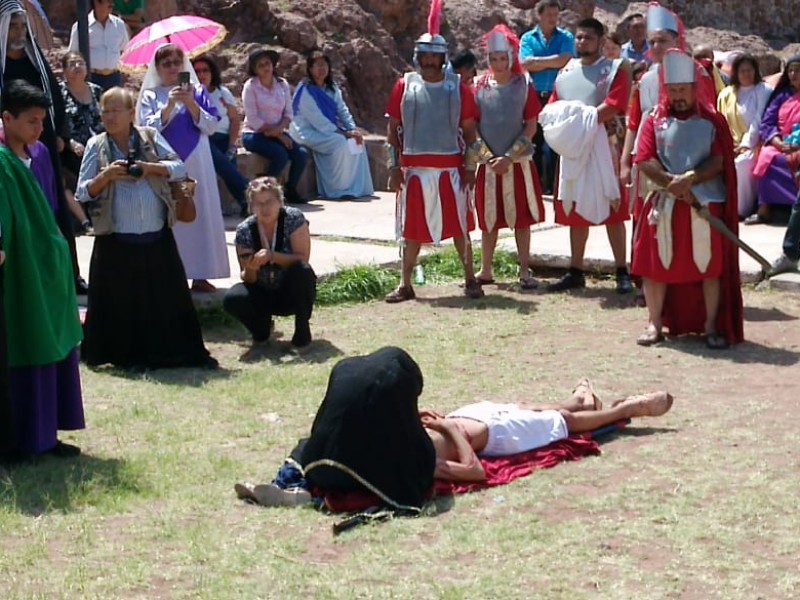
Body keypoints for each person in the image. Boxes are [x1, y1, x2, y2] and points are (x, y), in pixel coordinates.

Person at [76, 87, 217, 369]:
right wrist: (106, 176)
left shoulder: (150, 138)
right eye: (105, 110)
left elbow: (178, 167)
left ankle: (169, 355)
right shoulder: (96, 145)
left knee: (164, 301)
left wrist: (150, 168)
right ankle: (122, 357)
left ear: (131, 114)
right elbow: (82, 192)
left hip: (156, 237)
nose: (109, 116)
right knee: (120, 305)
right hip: (115, 238)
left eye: (116, 110)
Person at [630, 49, 743, 349]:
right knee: (655, 267)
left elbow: (720, 161)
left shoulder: (712, 121)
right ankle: (655, 324)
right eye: (673, 89)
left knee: (709, 267)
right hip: (664, 204)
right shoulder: (653, 119)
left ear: (695, 89)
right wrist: (671, 183)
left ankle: (711, 327)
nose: (678, 95)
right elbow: (644, 159)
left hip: (703, 203)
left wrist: (689, 179)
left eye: (683, 89)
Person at [0, 80, 84, 461]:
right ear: (7, 118)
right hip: (17, 270)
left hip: (47, 265)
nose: (37, 129)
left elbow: (51, 207)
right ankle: (21, 437)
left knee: (55, 343)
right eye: (31, 121)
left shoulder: (42, 155)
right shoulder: (2, 162)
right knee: (25, 342)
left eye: (41, 122)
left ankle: (47, 434)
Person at [383, 2, 483, 303]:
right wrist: (393, 166)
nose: (429, 60)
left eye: (434, 55)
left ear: (442, 57)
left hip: (450, 170)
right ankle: (405, 283)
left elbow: (470, 134)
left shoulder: (457, 88)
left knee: (460, 228)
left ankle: (470, 279)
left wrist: (470, 168)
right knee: (410, 229)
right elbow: (393, 130)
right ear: (418, 56)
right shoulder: (405, 85)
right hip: (414, 170)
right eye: (424, 54)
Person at [422, 379, 673, 482]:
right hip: (497, 435)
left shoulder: (389, 439)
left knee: (525, 408)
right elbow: (474, 471)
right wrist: (448, 427)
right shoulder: (418, 463)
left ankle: (580, 402)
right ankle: (627, 409)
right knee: (564, 422)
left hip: (468, 415)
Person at [539, 18, 632, 294]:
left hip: (605, 144)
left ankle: (621, 271)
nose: (582, 42)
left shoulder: (615, 70)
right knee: (575, 205)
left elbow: (614, 104)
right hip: (575, 147)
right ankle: (575, 270)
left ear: (601, 41)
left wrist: (583, 124)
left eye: (588, 38)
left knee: (612, 206)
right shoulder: (566, 71)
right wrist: (572, 131)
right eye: (578, 37)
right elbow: (554, 105)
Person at [1, 1, 86, 294]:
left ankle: (69, 275)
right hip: (7, 151)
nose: (19, 32)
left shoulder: (33, 59)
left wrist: (59, 133)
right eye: (13, 26)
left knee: (54, 208)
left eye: (23, 26)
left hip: (42, 146)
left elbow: (54, 101)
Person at [137, 43, 230, 293]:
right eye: (166, 63)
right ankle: (170, 274)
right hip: (166, 164)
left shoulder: (198, 92)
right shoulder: (150, 95)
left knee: (199, 215)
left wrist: (190, 103)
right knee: (171, 218)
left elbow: (211, 126)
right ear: (157, 67)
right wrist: (168, 106)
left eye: (176, 62)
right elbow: (145, 130)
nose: (172, 68)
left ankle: (201, 274)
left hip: (198, 162)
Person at [473, 25, 545, 289]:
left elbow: (531, 124)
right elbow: (472, 125)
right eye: (494, 58)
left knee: (521, 219)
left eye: (503, 58)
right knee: (488, 220)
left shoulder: (524, 85)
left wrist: (509, 157)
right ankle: (485, 269)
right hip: (489, 163)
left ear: (511, 57)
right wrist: (490, 157)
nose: (498, 63)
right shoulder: (478, 86)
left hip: (518, 164)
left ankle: (524, 270)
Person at [223, 177, 316, 348]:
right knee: (232, 298)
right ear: (251, 207)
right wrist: (251, 268)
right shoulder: (244, 230)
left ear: (280, 202)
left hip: (289, 290)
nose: (264, 208)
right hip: (262, 290)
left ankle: (302, 330)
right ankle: (261, 330)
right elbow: (247, 278)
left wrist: (272, 256)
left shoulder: (293, 218)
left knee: (303, 271)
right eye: (258, 203)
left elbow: (302, 258)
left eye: (269, 202)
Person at [289, 50, 374, 200]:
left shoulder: (332, 88)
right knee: (340, 142)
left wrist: (352, 129)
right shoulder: (305, 91)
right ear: (310, 69)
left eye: (325, 65)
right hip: (307, 131)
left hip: (330, 129)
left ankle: (357, 188)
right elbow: (318, 120)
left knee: (357, 142)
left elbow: (342, 110)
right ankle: (336, 190)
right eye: (318, 65)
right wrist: (344, 133)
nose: (322, 69)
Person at [519, 0, 575, 193]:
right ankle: (536, 185)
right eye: (549, 15)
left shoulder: (566, 37)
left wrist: (538, 62)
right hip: (534, 96)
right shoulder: (527, 38)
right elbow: (525, 63)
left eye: (555, 15)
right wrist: (554, 61)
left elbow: (566, 60)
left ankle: (554, 184)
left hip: (557, 95)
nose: (553, 19)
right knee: (535, 140)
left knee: (557, 141)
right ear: (539, 15)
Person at [241, 48, 309, 205]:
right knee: (280, 155)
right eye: (260, 65)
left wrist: (280, 130)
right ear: (255, 69)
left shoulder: (282, 84)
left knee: (301, 154)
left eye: (267, 63)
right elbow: (254, 119)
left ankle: (290, 190)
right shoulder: (250, 87)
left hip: (278, 132)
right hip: (254, 134)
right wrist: (279, 135)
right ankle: (264, 194)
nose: (265, 67)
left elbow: (289, 113)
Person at [192, 54, 250, 217]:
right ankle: (249, 195)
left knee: (227, 163)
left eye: (205, 70)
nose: (202, 75)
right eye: (197, 71)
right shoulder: (192, 94)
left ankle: (245, 201)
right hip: (203, 138)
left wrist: (232, 145)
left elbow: (235, 120)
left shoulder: (222, 93)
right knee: (224, 163)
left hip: (224, 138)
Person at [716, 54, 771, 218]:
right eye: (742, 71)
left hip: (756, 143)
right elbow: (721, 122)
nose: (746, 74)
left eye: (749, 70)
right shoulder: (727, 94)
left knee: (741, 163)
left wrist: (746, 144)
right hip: (730, 144)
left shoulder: (763, 90)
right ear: (736, 73)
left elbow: (758, 120)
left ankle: (741, 209)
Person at [750, 56, 800, 225]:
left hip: (798, 144)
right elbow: (767, 123)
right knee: (767, 156)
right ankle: (764, 210)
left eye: (798, 70)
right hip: (782, 143)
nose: (793, 74)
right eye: (790, 70)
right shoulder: (782, 95)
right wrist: (778, 142)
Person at [59, 51, 101, 233]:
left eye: (80, 63)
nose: (77, 67)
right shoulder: (59, 93)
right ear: (64, 71)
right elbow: (56, 124)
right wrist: (70, 143)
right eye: (72, 64)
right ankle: (85, 222)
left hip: (99, 147)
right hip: (71, 150)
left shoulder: (97, 90)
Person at [67, 0, 129, 91]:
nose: (111, 4)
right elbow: (73, 54)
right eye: (108, 1)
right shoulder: (81, 26)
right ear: (96, 2)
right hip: (92, 78)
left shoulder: (119, 25)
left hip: (114, 78)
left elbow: (123, 47)